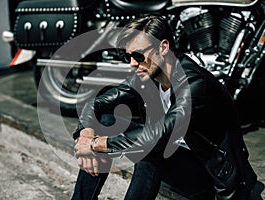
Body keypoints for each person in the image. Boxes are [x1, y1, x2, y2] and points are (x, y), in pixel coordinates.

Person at [71, 15, 259, 200]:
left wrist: (97, 144)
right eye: (128, 56)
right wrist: (85, 136)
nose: (132, 63)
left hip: (210, 174)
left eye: (138, 55)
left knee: (149, 148)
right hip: (176, 160)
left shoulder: (195, 84)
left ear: (163, 47)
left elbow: (160, 135)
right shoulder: (146, 78)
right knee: (106, 122)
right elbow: (96, 103)